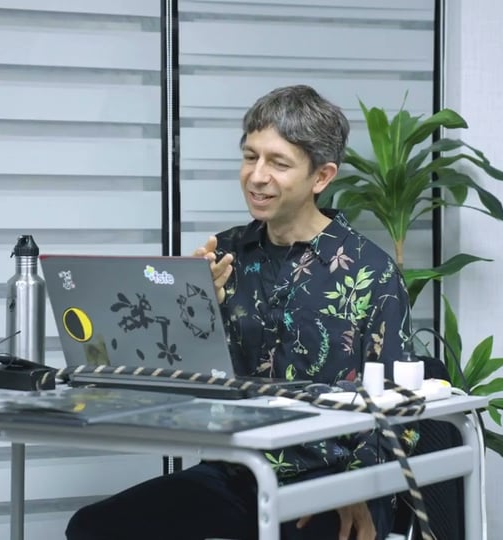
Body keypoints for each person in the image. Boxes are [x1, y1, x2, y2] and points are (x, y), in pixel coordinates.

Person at [66, 85, 413, 540]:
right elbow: (175, 380)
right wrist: (190, 307)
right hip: (238, 471)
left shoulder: (371, 271)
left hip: (332, 479)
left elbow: (401, 401)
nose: (257, 176)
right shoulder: (225, 253)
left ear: (322, 176)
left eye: (278, 162)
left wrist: (361, 485)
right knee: (95, 528)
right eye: (250, 157)